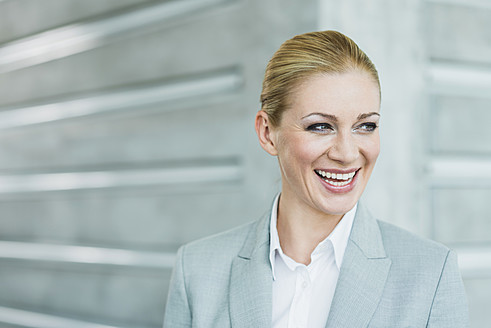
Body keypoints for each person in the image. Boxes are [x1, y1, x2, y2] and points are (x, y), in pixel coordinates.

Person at [163, 30, 469, 328]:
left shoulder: (431, 275)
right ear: (267, 133)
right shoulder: (198, 270)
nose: (347, 153)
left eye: (365, 126)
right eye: (321, 126)